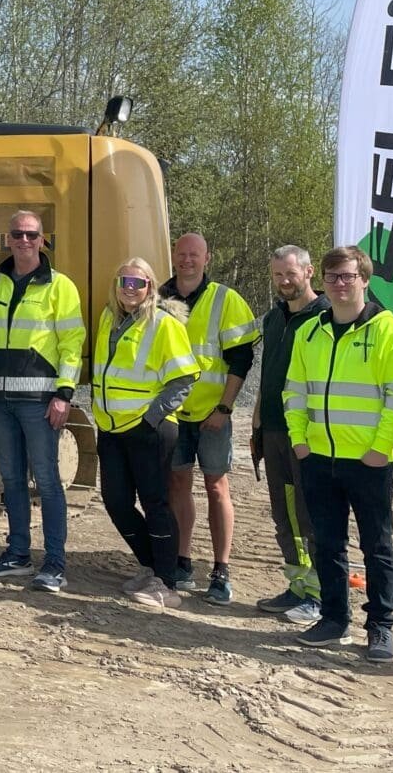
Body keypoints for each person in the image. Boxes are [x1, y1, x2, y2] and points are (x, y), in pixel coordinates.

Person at [284, 246, 393, 662]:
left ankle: (380, 627)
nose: (340, 284)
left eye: (347, 276)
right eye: (332, 277)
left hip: (368, 462)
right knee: (326, 543)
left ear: (364, 278)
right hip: (318, 458)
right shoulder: (309, 331)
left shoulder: (391, 332)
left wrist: (381, 449)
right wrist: (300, 440)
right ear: (321, 281)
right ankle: (333, 618)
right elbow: (294, 391)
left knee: (377, 546)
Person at [0, 210, 85, 592]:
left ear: (42, 240)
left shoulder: (60, 287)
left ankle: (55, 564)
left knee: (49, 482)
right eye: (18, 234)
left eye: (31, 235)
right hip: (1, 401)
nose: (24, 240)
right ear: (8, 239)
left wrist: (64, 393)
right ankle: (18, 555)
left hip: (40, 401)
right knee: (11, 479)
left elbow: (72, 346)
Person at [91, 258, 199, 609]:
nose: (130, 288)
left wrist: (151, 418)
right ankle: (153, 565)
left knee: (156, 503)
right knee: (117, 502)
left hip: (149, 429)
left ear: (150, 287)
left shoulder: (163, 323)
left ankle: (166, 582)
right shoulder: (110, 317)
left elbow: (184, 377)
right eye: (125, 281)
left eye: (138, 283)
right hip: (111, 428)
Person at [160, 232, 259, 604]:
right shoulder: (158, 298)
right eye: (181, 254)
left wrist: (224, 408)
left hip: (212, 414)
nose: (187, 260)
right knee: (177, 485)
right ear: (173, 256)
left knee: (217, 487)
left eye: (194, 255)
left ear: (207, 258)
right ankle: (182, 561)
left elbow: (241, 359)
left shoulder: (225, 299)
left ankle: (220, 570)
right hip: (171, 413)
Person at [250, 246, 327, 624]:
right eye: (278, 274)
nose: (284, 281)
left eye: (290, 274)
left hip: (308, 434)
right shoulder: (273, 318)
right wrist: (257, 423)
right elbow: (268, 375)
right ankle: (298, 585)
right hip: (274, 431)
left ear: (309, 272)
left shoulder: (326, 317)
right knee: (284, 516)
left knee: (310, 515)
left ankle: (321, 594)